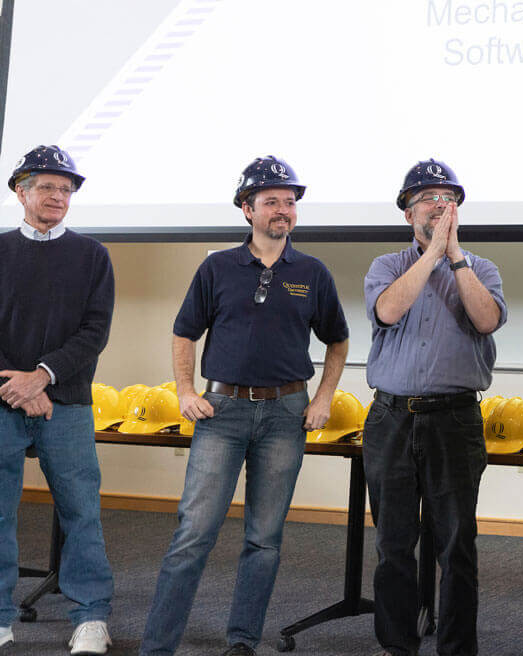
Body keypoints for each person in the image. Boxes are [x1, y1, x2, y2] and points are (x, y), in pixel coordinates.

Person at [140, 156, 349, 656]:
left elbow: (338, 341)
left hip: (285, 415)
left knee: (264, 540)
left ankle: (242, 640)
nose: (284, 210)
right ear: (247, 209)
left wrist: (323, 398)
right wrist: (186, 392)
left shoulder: (312, 272)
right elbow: (184, 332)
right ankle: (157, 646)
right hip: (222, 412)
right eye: (272, 201)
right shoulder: (217, 267)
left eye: (290, 202)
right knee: (194, 534)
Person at [363, 159, 506, 656]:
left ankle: (456, 648)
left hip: (454, 421)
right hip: (391, 418)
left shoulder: (482, 269)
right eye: (427, 198)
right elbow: (388, 310)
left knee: (456, 545)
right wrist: (430, 256)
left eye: (448, 198)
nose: (440, 205)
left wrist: (455, 257)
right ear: (408, 214)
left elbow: (486, 321)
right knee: (393, 546)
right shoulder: (387, 266)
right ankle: (397, 647)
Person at [0, 145, 114, 655]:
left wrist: (42, 378)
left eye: (65, 189)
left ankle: (90, 617)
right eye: (46, 186)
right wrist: (19, 388)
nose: (58, 196)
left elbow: (94, 332)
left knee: (81, 512)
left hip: (64, 403)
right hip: (2, 400)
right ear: (20, 192)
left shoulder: (92, 256)